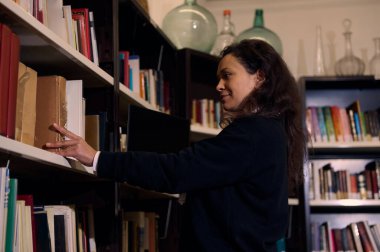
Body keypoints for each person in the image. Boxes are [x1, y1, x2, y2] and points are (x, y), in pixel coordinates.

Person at [46, 39, 307, 252]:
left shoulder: (253, 133)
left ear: (259, 77)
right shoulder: (271, 130)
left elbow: (175, 170)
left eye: (227, 75)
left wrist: (97, 158)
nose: (218, 86)